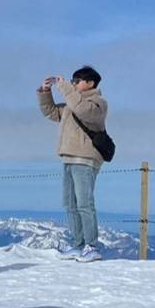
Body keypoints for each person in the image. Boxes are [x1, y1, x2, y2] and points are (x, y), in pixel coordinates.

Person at [39, 66, 109, 262]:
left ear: (91, 83)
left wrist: (65, 88)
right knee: (70, 204)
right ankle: (78, 245)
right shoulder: (72, 104)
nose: (74, 83)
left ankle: (91, 246)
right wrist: (46, 92)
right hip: (69, 157)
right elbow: (51, 112)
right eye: (73, 80)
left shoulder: (97, 104)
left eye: (78, 80)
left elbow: (82, 110)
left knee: (84, 203)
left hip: (85, 159)